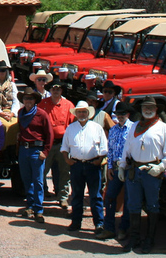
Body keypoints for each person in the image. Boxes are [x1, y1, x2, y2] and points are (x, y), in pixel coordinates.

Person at [118, 96, 166, 253]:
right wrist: (122, 165)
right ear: (141, 109)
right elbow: (127, 147)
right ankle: (135, 238)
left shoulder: (163, 128)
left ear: (156, 109)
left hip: (151, 172)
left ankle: (149, 240)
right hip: (134, 171)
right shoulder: (135, 126)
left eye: (151, 107)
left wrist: (161, 167)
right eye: (145, 107)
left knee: (152, 205)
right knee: (133, 204)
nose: (148, 109)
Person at [61, 100, 108, 234]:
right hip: (76, 165)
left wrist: (99, 160)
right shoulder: (71, 128)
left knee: (95, 195)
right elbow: (64, 147)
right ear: (76, 113)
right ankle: (76, 222)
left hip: (92, 165)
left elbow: (104, 147)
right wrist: (67, 159)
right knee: (76, 195)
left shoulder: (96, 127)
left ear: (88, 113)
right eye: (79, 111)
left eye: (84, 111)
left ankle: (99, 223)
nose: (82, 114)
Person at [98, 101, 135, 241]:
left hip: (129, 166)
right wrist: (110, 168)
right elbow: (111, 150)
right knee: (110, 197)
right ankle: (109, 228)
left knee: (128, 199)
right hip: (115, 166)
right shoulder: (113, 129)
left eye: (123, 114)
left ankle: (124, 228)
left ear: (128, 114)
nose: (120, 116)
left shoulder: (133, 128)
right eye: (118, 114)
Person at [17, 86, 53, 224]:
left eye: (31, 98)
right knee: (26, 180)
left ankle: (39, 209)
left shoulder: (42, 114)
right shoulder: (20, 113)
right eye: (26, 98)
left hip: (36, 150)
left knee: (38, 181)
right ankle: (30, 206)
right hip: (23, 149)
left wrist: (46, 152)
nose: (28, 101)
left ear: (35, 100)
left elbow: (49, 134)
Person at [38, 81, 75, 209]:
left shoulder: (69, 105)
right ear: (50, 90)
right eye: (53, 88)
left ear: (62, 91)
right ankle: (40, 196)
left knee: (65, 172)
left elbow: (73, 125)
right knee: (42, 171)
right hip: (47, 144)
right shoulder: (43, 104)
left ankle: (63, 197)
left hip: (63, 144)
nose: (56, 91)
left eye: (58, 89)